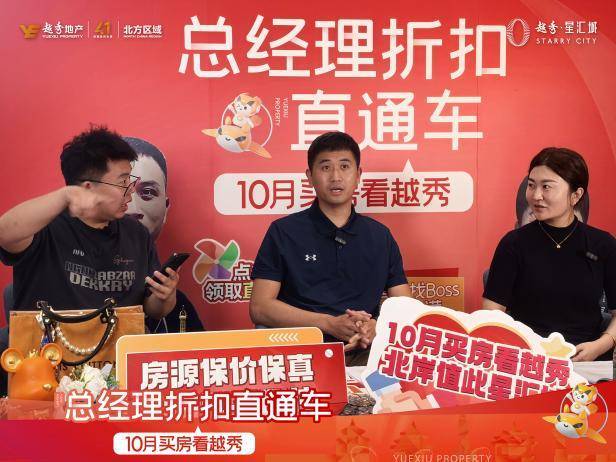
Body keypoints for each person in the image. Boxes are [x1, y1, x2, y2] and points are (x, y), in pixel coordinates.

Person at [250, 131, 411, 365]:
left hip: (367, 352)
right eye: (325, 167)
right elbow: (260, 307)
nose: (336, 176)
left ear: (358, 175)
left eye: (345, 166)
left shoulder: (380, 236)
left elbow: (405, 306)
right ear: (310, 176)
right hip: (301, 353)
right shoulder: (283, 232)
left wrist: (376, 327)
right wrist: (328, 324)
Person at [0, 126, 178, 317]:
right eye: (123, 182)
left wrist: (164, 297)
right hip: (50, 336)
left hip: (120, 336)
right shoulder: (43, 227)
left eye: (130, 180)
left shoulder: (137, 234)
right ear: (87, 187)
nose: (131, 190)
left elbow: (153, 311)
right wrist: (65, 196)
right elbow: (5, 233)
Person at [483, 147, 616, 361]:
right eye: (531, 185)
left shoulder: (603, 244)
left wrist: (601, 345)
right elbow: (492, 312)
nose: (536, 196)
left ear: (576, 195)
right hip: (528, 359)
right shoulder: (513, 243)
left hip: (588, 357)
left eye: (546, 187)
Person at [123, 136, 204, 333]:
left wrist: (164, 298)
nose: (132, 208)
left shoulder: (181, 309)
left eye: (147, 192)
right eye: (123, 189)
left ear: (166, 208)